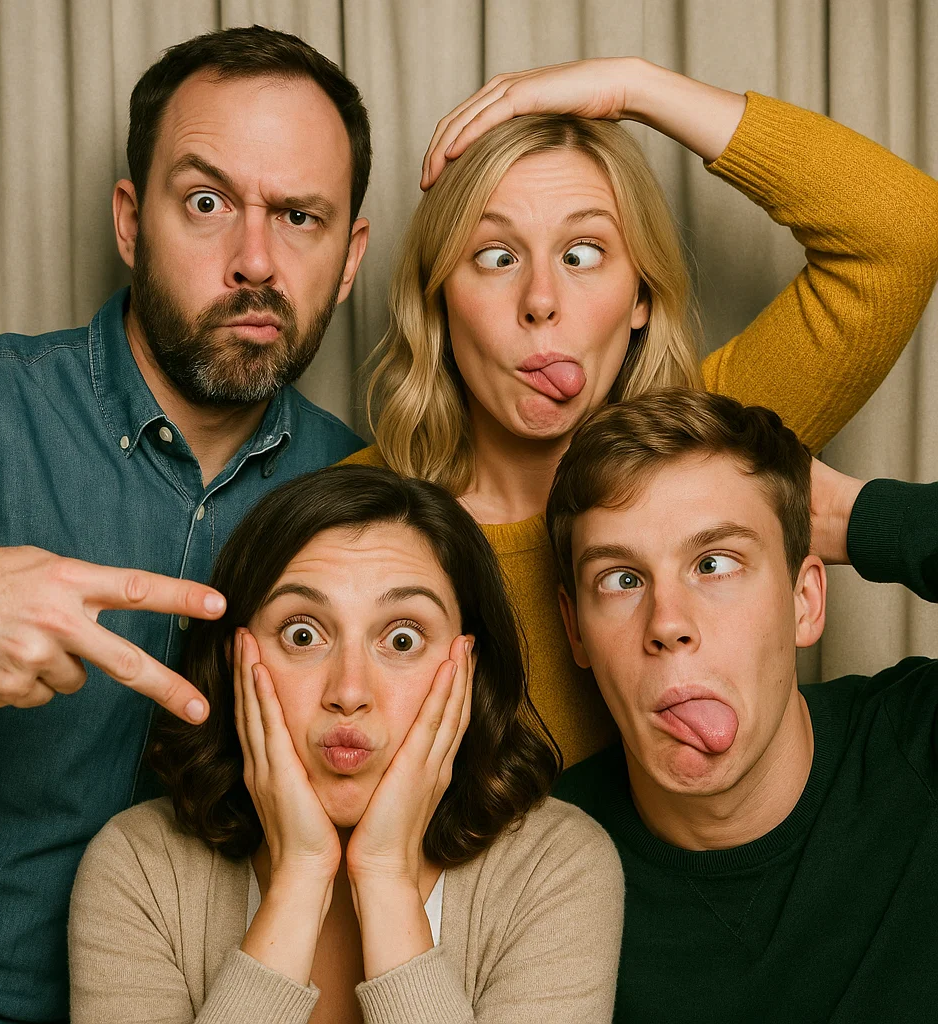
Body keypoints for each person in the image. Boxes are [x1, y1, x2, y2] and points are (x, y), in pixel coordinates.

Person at [0, 26, 373, 1024]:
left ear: (350, 258)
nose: (255, 260)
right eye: (206, 203)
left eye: (300, 217)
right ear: (131, 220)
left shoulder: (363, 489)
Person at [344, 56, 938, 767]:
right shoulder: (356, 517)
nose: (541, 299)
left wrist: (635, 87)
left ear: (641, 298)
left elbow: (902, 232)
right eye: (497, 256)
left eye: (584, 252)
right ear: (441, 301)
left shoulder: (713, 444)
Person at [68, 465, 624, 1023]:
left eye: (402, 639)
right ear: (233, 658)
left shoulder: (555, 867)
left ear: (468, 672)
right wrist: (299, 878)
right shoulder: (140, 865)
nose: (349, 692)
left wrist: (385, 876)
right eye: (302, 634)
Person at [548, 387, 938, 1022]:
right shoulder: (535, 866)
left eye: (715, 563)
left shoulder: (919, 743)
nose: (667, 623)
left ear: (805, 601)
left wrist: (856, 519)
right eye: (622, 579)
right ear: (575, 631)